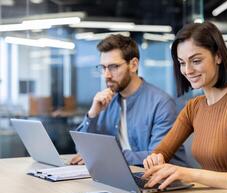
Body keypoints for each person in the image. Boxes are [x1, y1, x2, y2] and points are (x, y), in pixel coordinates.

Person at [143, 21, 227, 193]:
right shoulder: (194, 107)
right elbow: (162, 151)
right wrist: (155, 158)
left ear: (218, 56)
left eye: (196, 61)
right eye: (182, 62)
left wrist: (189, 174)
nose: (187, 70)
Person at [70, 34, 187, 166]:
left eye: (114, 67)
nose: (107, 75)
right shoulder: (106, 101)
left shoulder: (161, 103)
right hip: (123, 175)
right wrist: (92, 114)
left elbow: (157, 157)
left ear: (133, 65)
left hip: (164, 181)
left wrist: (106, 156)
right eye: (103, 67)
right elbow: (82, 150)